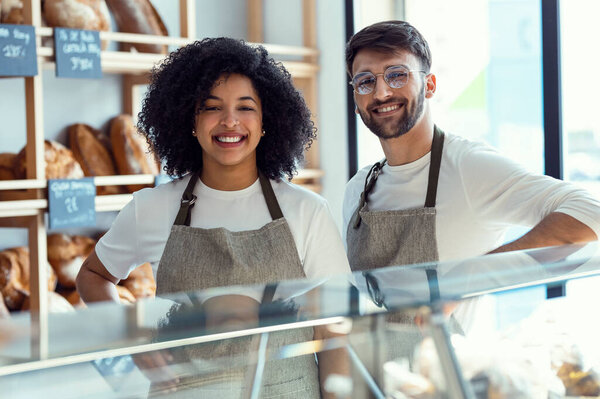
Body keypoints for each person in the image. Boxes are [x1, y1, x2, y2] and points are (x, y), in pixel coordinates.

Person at [76, 37, 350, 398]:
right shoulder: (153, 207)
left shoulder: (307, 211)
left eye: (246, 107)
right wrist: (135, 341)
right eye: (211, 107)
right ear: (189, 119)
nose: (229, 121)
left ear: (268, 120)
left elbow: (334, 332)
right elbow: (93, 276)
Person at [343, 20, 600, 271]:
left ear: (429, 86)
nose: (381, 93)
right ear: (356, 100)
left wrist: (476, 273)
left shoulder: (468, 167)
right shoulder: (357, 190)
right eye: (365, 81)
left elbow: (591, 212)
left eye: (397, 75)